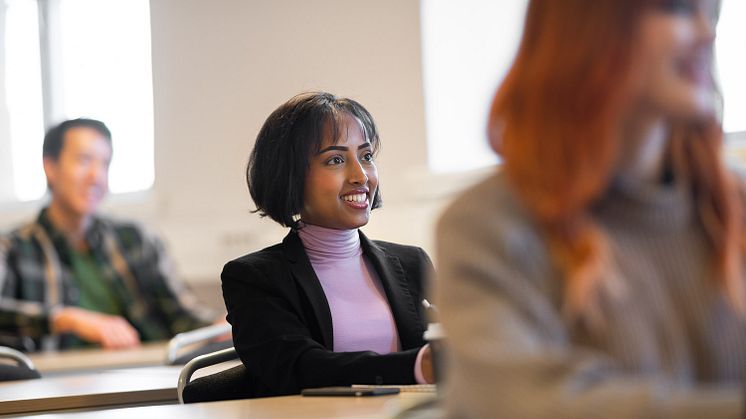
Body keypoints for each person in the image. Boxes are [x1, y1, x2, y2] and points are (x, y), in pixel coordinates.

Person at [436, 0, 744, 417]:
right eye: (678, 8)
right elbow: (528, 405)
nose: (708, 33)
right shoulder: (488, 225)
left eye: (711, 14)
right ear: (588, 25)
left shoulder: (731, 205)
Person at [221, 92, 434, 398]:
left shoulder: (413, 263)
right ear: (291, 175)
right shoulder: (253, 278)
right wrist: (418, 366)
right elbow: (302, 369)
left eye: (367, 156)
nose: (360, 176)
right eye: (335, 160)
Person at [0, 118, 218, 351]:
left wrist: (221, 327)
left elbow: (183, 314)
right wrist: (65, 318)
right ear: (50, 167)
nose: (97, 176)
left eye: (105, 164)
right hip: (54, 381)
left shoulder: (137, 239)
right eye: (84, 160)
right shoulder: (13, 247)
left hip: (142, 371)